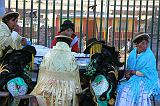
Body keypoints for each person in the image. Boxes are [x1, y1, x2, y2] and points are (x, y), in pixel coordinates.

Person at [31, 35, 82, 106]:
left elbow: (41, 73)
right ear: (69, 44)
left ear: (57, 42)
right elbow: (75, 77)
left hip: (46, 89)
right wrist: (77, 91)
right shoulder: (71, 57)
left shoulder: (48, 54)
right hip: (65, 92)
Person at [115, 33, 160, 106]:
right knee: (123, 89)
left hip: (147, 78)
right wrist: (127, 73)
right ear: (136, 44)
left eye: (146, 44)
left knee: (140, 92)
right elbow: (129, 67)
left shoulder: (149, 55)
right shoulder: (133, 53)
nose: (145, 46)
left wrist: (133, 72)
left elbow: (148, 72)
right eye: (142, 43)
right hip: (134, 77)